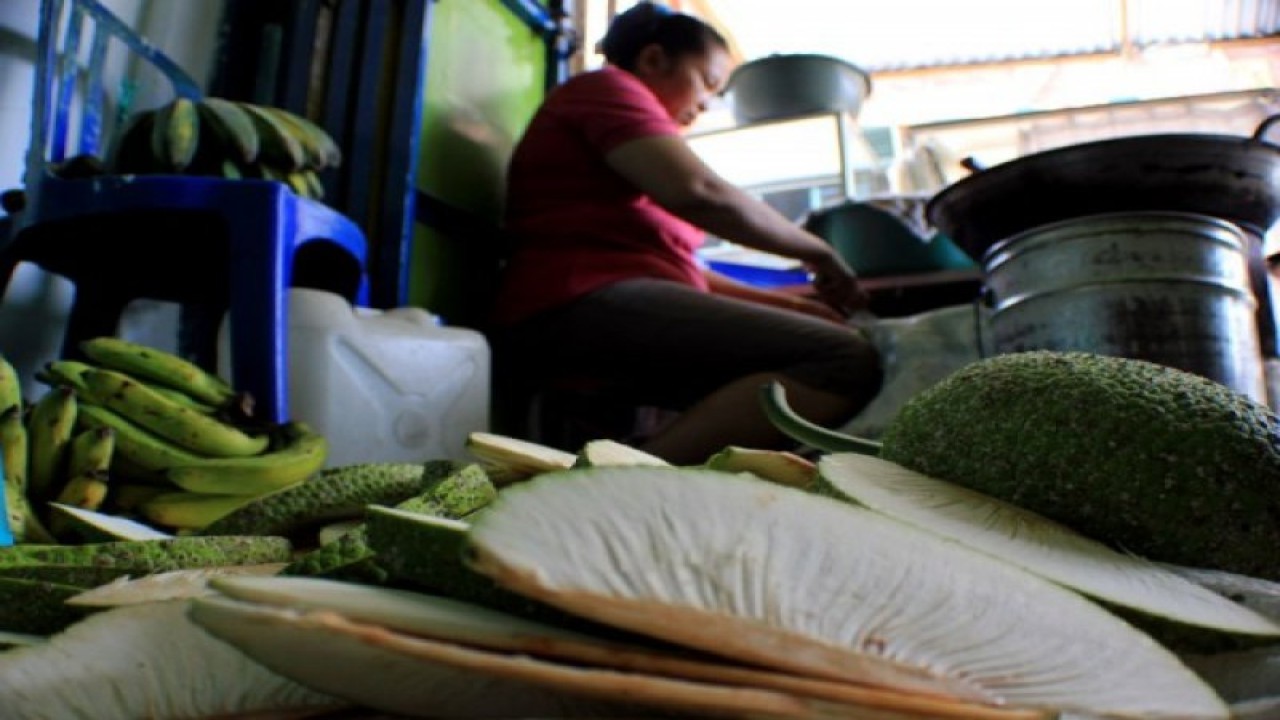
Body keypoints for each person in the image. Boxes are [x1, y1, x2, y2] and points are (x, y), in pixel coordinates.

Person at [487, 1, 882, 464]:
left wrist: (793, 305)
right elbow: (702, 192)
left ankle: (642, 474)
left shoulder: (635, 149)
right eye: (707, 81)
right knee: (843, 360)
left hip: (607, 300)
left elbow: (685, 272)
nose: (707, 103)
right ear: (654, 60)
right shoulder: (607, 88)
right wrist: (818, 252)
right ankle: (625, 483)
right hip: (568, 304)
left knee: (825, 344)